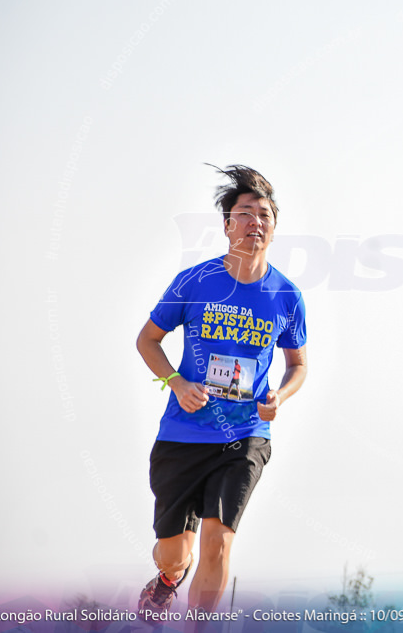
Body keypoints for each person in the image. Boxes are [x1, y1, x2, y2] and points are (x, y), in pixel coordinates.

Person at [135, 165, 308, 620]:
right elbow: (147, 340)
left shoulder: (286, 296)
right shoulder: (195, 281)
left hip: (245, 438)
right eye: (246, 213)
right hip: (184, 432)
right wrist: (177, 382)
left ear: (274, 228)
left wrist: (280, 397)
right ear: (227, 225)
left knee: (218, 542)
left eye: (265, 215)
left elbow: (298, 365)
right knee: (173, 552)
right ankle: (170, 578)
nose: (256, 222)